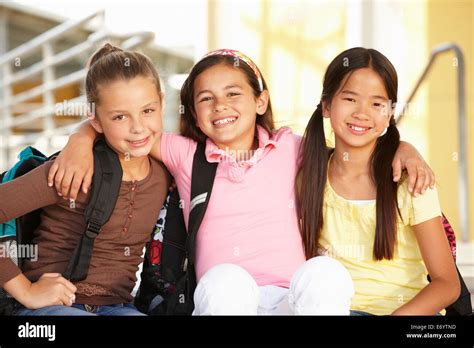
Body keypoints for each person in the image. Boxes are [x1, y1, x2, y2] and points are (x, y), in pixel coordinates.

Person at [48, 48, 435, 315]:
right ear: (193, 115)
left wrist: (403, 148)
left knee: (327, 273)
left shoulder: (292, 148)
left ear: (261, 102)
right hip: (226, 300)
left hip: (293, 300)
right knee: (224, 279)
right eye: (206, 99)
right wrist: (82, 137)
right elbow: (127, 128)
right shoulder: (188, 155)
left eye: (234, 93)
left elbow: (356, 140)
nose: (221, 106)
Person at [0, 43, 170, 316]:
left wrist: (82, 134)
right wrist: (26, 291)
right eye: (119, 116)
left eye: (148, 111)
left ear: (162, 103)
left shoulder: (166, 168)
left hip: (118, 307)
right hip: (50, 309)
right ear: (96, 120)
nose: (138, 127)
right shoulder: (74, 168)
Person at [297, 47, 460, 315]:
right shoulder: (309, 177)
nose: (362, 113)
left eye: (377, 104)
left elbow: (447, 284)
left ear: (389, 114)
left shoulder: (411, 181)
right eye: (350, 99)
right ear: (327, 105)